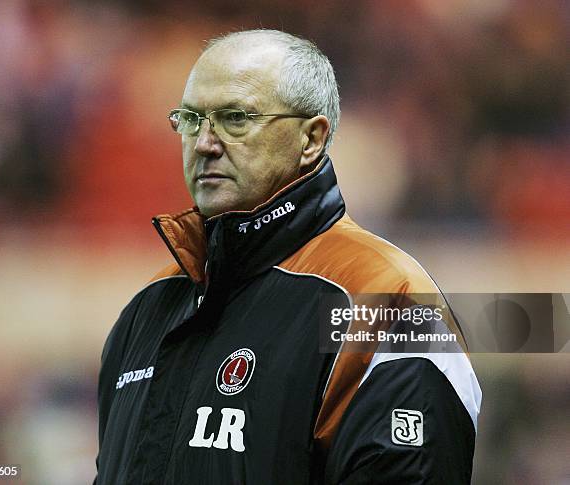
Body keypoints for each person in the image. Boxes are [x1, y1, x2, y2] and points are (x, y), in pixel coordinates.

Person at [94, 29, 481, 484]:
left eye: (235, 118)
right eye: (192, 119)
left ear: (311, 139)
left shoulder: (386, 298)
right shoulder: (150, 308)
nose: (204, 142)